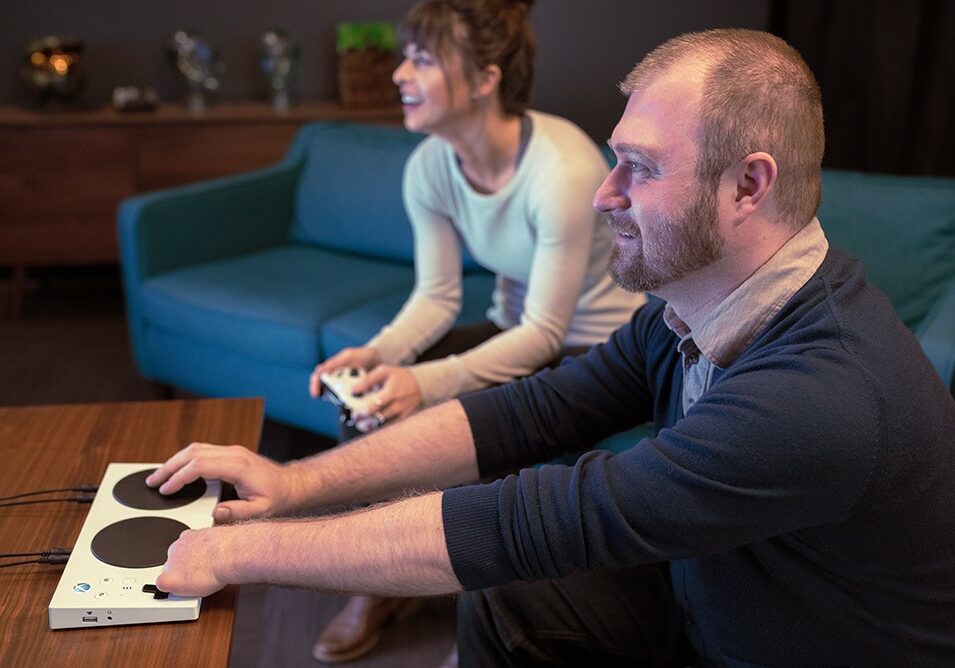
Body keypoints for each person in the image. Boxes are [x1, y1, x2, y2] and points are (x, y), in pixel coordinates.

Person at [148, 28, 955, 667]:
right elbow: (534, 411)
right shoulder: (693, 309)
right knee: (509, 601)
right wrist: (291, 486)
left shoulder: (821, 396)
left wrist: (239, 550)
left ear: (748, 186)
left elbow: (537, 521)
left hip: (781, 646)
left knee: (520, 557)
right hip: (711, 591)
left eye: (638, 169)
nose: (605, 194)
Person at [305, 0, 644, 661]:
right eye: (407, 56)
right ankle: (381, 582)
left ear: (485, 78)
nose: (399, 72)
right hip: (514, 334)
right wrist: (379, 355)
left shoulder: (564, 168)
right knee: (370, 403)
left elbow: (546, 332)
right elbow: (435, 297)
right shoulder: (429, 165)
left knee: (425, 399)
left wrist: (424, 381)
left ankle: (478, 616)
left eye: (423, 60)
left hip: (593, 350)